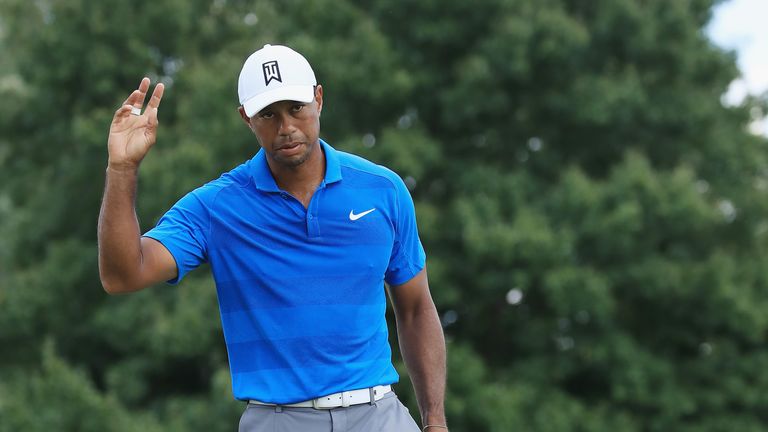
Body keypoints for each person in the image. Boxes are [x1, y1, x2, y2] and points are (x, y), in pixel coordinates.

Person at [98, 43, 448, 432]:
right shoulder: (217, 206)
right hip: (279, 420)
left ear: (318, 99)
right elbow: (123, 275)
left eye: (296, 108)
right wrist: (122, 169)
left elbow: (416, 308)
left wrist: (435, 422)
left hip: (379, 414)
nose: (286, 127)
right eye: (268, 114)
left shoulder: (383, 190)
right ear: (247, 118)